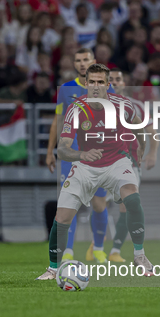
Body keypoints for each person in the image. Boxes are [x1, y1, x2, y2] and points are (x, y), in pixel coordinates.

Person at [36, 64, 154, 280]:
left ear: (108, 85)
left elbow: (138, 126)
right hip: (85, 165)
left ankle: (140, 255)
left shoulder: (123, 104)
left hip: (117, 161)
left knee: (133, 198)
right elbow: (62, 148)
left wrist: (142, 147)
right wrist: (81, 155)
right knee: (61, 217)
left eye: (101, 82)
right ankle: (53, 268)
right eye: (92, 82)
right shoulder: (76, 108)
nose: (96, 86)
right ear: (86, 84)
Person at [45, 48, 115, 264]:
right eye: (78, 60)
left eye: (86, 59)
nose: (82, 63)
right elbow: (58, 121)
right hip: (72, 155)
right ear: (74, 64)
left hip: (100, 153)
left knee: (99, 204)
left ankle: (99, 249)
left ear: (94, 61)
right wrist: (50, 151)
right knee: (69, 203)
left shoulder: (107, 87)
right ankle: (67, 251)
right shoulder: (66, 89)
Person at [106, 68, 159, 262]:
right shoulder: (96, 106)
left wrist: (152, 152)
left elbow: (152, 131)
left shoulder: (136, 105)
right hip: (102, 158)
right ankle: (96, 244)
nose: (114, 82)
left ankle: (115, 251)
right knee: (97, 203)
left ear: (124, 83)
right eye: (110, 79)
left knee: (127, 204)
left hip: (129, 159)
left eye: (117, 79)